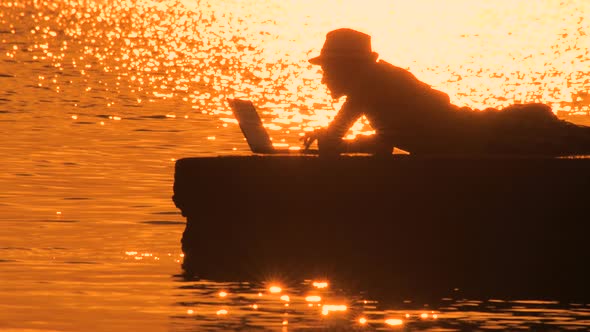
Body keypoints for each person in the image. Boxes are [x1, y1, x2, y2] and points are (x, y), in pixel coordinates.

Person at [303, 28, 590, 156]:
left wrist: (331, 139)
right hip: (479, 135)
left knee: (570, 140)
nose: (324, 79)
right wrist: (340, 141)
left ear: (346, 68)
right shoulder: (375, 83)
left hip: (487, 138)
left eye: (327, 70)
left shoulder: (368, 88)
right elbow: (385, 141)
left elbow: (334, 143)